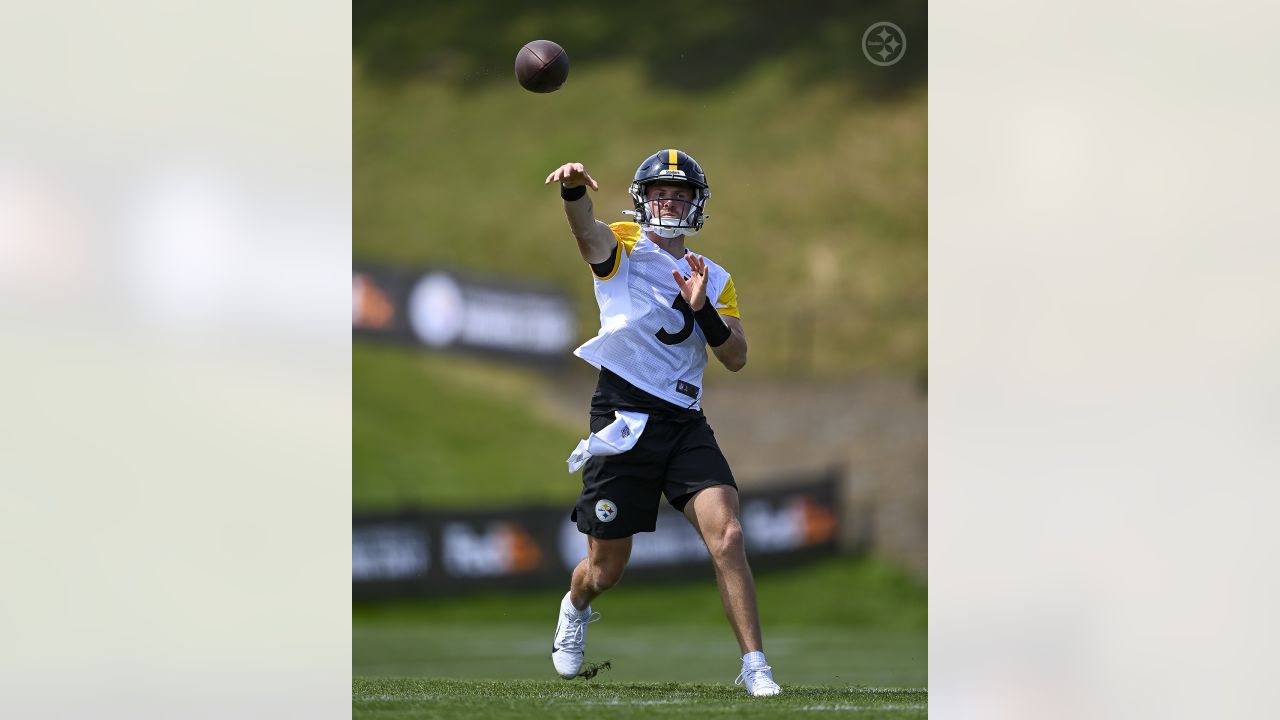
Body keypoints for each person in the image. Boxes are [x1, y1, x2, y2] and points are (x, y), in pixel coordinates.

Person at [542, 149, 781, 697]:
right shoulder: (624, 245)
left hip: (684, 421)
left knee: (730, 535)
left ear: (697, 204)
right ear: (641, 199)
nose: (668, 200)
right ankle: (575, 605)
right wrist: (574, 191)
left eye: (679, 192)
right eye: (658, 191)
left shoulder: (714, 276)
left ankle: (755, 665)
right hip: (623, 418)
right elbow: (586, 235)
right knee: (605, 571)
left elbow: (737, 357)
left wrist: (703, 309)